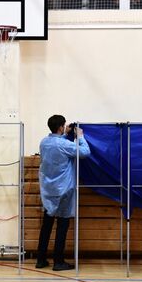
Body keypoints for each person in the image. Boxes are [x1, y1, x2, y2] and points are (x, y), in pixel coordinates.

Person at [36, 115, 90, 271]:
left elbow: (57, 146)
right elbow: (85, 152)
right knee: (62, 225)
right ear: (60, 127)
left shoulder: (44, 143)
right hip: (64, 189)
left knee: (46, 225)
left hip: (48, 190)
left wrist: (66, 134)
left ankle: (41, 259)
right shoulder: (64, 144)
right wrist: (80, 137)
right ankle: (58, 261)